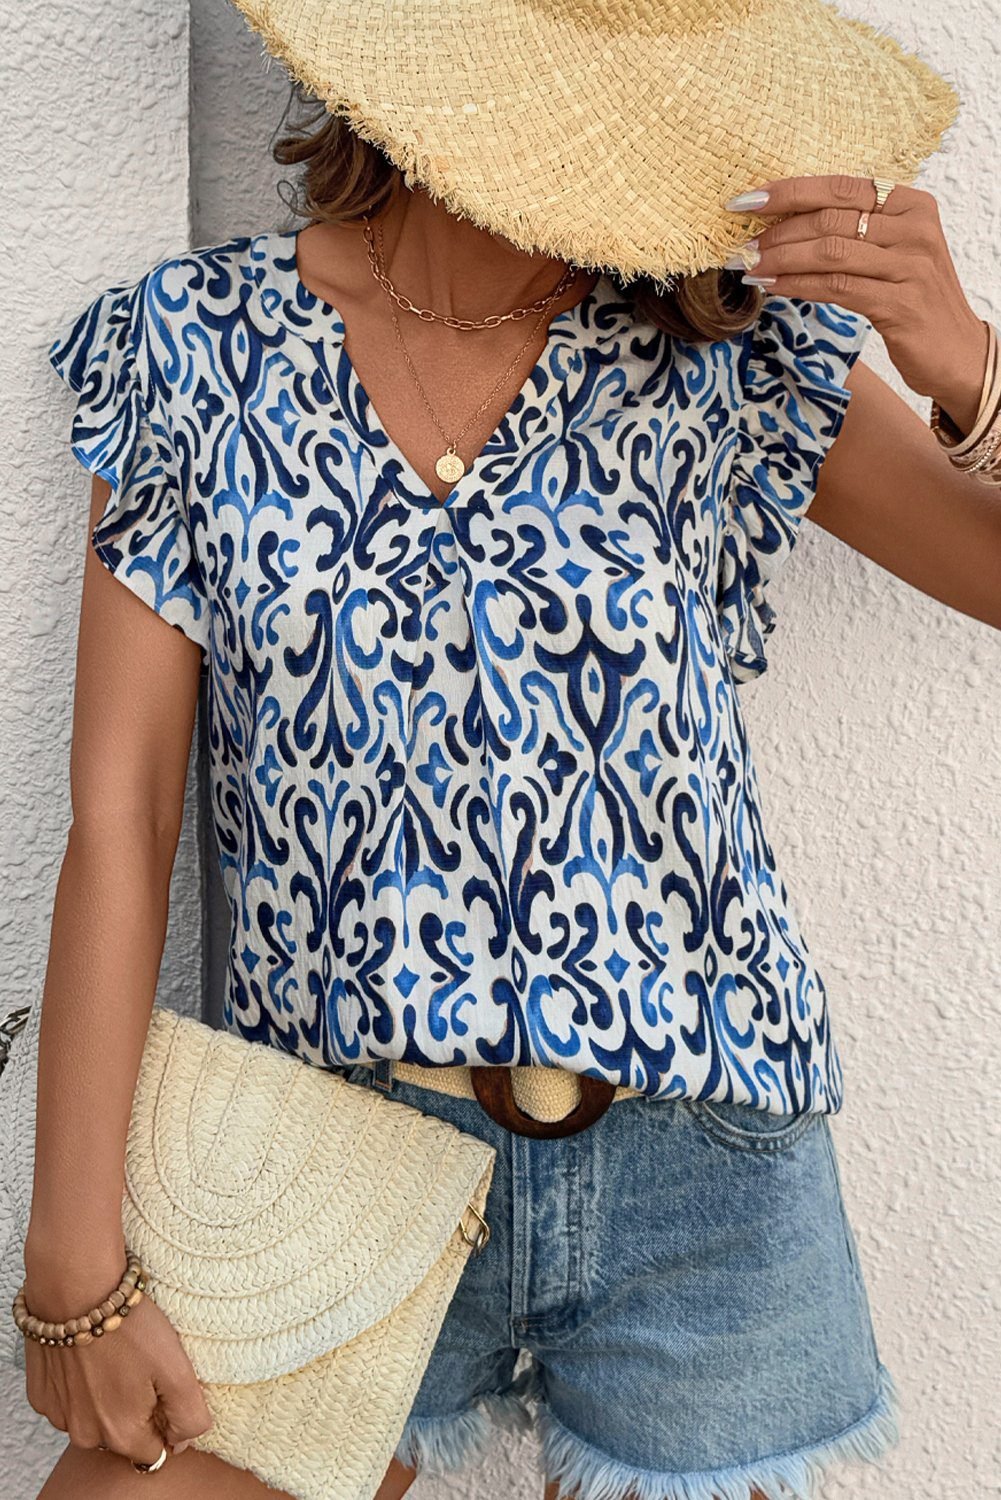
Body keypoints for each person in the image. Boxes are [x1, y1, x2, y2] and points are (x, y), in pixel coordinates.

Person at [19, 13, 1000, 1500]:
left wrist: (966, 364)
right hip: (333, 1150)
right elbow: (122, 813)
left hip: (697, 1157)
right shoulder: (199, 348)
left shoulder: (726, 356)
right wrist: (72, 1260)